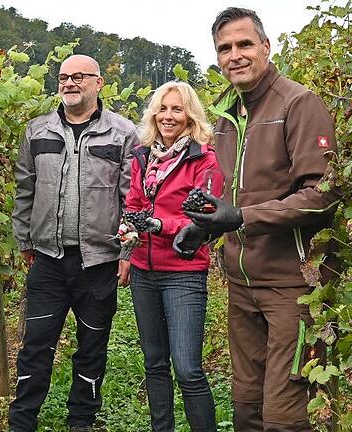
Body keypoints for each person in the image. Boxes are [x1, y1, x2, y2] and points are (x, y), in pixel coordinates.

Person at [176, 7, 340, 432]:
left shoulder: (298, 103)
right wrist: (207, 225)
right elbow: (236, 192)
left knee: (285, 415)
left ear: (266, 47)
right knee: (246, 407)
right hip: (242, 285)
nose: (235, 55)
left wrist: (242, 216)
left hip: (292, 286)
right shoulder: (230, 115)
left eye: (245, 44)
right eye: (225, 48)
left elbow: (323, 196)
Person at [9, 54, 138, 432]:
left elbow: (131, 198)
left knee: (91, 347)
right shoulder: (37, 131)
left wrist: (126, 253)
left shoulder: (123, 133)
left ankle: (81, 420)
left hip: (98, 262)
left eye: (79, 76)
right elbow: (24, 191)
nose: (69, 83)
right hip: (48, 260)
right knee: (35, 345)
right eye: (63, 77)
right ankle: (21, 421)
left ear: (99, 83)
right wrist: (24, 242)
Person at [117, 81, 223, 432]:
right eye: (163, 108)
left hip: (183, 272)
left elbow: (204, 216)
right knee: (154, 362)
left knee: (188, 368)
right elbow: (133, 204)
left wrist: (159, 223)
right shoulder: (143, 156)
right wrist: (127, 247)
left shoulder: (202, 159)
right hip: (145, 272)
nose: (168, 116)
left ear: (190, 115)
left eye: (177, 109)